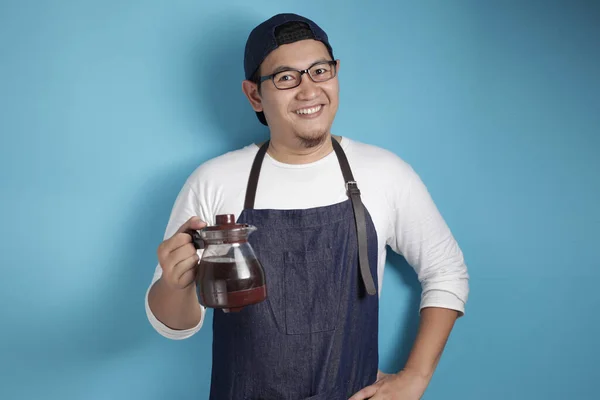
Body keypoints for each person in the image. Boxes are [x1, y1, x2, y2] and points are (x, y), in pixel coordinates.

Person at [145, 13, 469, 400]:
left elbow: (447, 270)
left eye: (319, 70)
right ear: (254, 95)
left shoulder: (385, 174)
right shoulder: (214, 182)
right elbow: (175, 325)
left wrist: (415, 377)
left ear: (336, 74)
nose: (308, 90)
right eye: (286, 77)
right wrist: (172, 283)